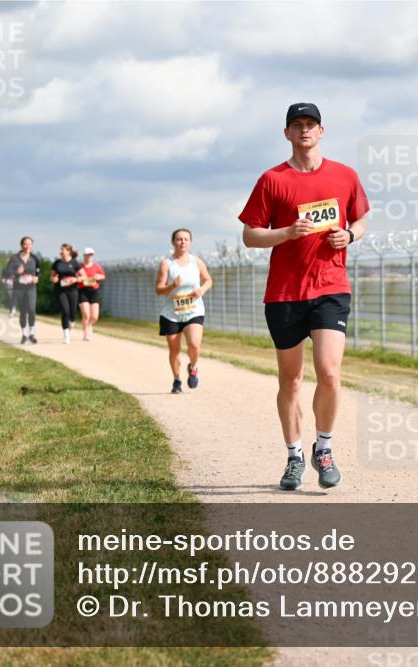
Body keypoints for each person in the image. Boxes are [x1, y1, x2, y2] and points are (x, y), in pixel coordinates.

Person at [240, 102, 369, 491]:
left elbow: (360, 219)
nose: (304, 131)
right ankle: (294, 456)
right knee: (291, 381)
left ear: (321, 131)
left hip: (330, 286)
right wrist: (285, 233)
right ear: (287, 134)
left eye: (310, 124)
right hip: (284, 293)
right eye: (297, 125)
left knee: (329, 372)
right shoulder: (272, 180)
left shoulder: (344, 175)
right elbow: (250, 234)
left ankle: (324, 448)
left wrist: (350, 235)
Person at [155, 229, 212, 394]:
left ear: (190, 242)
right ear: (173, 242)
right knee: (174, 350)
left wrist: (202, 290)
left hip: (194, 310)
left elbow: (208, 280)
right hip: (171, 313)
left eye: (186, 239)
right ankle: (177, 380)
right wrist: (172, 286)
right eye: (179, 239)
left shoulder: (196, 262)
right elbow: (158, 290)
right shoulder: (167, 264)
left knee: (194, 345)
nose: (182, 242)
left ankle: (193, 367)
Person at [6, 236, 40, 344]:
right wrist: (16, 272)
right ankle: (24, 335)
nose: (27, 246)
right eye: (25, 244)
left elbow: (38, 270)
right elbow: (7, 271)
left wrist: (37, 278)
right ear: (21, 245)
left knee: (32, 309)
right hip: (19, 288)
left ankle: (32, 334)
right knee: (23, 312)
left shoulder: (34, 258)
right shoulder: (14, 258)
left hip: (31, 287)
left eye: (30, 244)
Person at [51, 244, 82, 344]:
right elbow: (52, 276)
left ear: (69, 251)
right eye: (60, 249)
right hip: (60, 290)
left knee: (72, 313)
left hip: (72, 290)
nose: (61, 251)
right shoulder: (57, 263)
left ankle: (72, 321)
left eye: (63, 249)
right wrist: (54, 279)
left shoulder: (75, 263)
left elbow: (84, 276)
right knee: (65, 311)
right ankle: (66, 335)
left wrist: (75, 279)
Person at [76, 248, 106, 341]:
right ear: (84, 256)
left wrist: (98, 277)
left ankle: (89, 326)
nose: (89, 257)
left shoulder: (96, 266)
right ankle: (86, 334)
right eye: (88, 255)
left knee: (94, 317)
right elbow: (76, 277)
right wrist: (83, 279)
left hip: (94, 291)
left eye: (91, 255)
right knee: (86, 314)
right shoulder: (79, 266)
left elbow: (103, 276)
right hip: (82, 290)